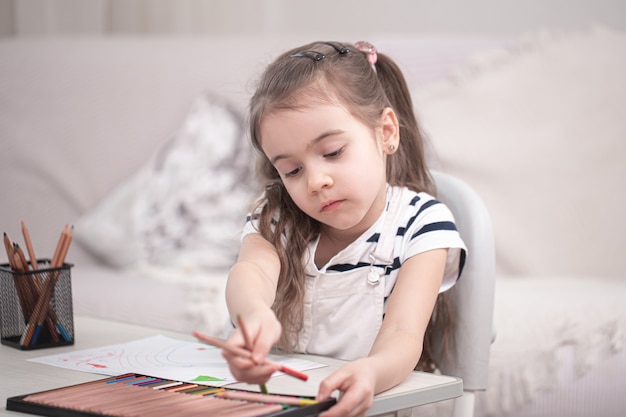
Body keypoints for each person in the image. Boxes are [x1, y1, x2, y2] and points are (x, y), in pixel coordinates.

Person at [222, 40, 466, 417]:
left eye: (333, 152)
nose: (316, 181)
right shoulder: (277, 216)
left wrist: (372, 371)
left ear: (385, 132)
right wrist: (251, 315)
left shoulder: (422, 225)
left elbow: (403, 333)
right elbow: (250, 271)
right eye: (292, 170)